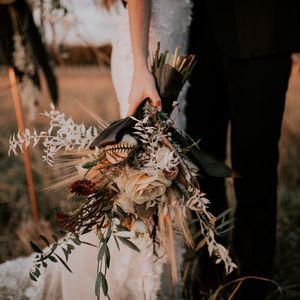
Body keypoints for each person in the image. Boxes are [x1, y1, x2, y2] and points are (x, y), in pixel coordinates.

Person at [0, 1, 193, 299]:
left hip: (161, 50)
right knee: (146, 176)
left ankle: (148, 278)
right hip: (150, 56)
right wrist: (141, 67)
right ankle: (139, 284)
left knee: (147, 178)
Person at [186, 1, 300, 299]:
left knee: (256, 166)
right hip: (192, 31)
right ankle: (209, 270)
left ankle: (254, 282)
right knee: (197, 163)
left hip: (262, 29)